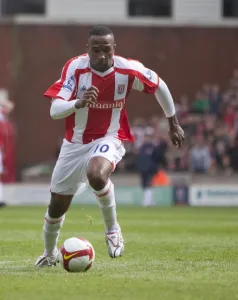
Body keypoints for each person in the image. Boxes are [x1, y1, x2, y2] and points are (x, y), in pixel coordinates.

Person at [35, 25, 184, 266]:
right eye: (96, 50)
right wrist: (78, 102)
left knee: (97, 174)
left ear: (114, 48)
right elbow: (54, 110)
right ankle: (49, 254)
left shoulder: (128, 70)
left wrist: (173, 123)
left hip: (109, 137)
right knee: (57, 206)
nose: (102, 55)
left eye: (106, 49)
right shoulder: (75, 67)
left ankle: (112, 230)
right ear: (88, 50)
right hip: (74, 145)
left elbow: (159, 85)